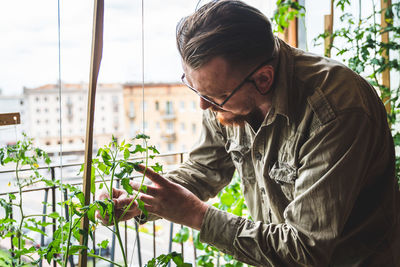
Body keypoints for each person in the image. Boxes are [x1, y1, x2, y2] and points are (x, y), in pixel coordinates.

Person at [98, 0, 400, 265]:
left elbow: (305, 251)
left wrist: (196, 215)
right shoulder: (227, 94)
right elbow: (204, 169)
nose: (203, 106)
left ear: (264, 79)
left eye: (214, 97)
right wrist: (140, 198)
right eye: (194, 88)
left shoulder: (336, 110)